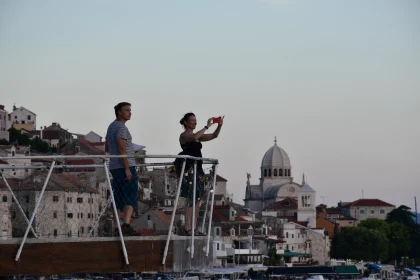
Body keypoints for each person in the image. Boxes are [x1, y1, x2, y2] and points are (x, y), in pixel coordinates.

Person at [178, 112, 224, 236]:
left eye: (195, 120)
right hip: (189, 169)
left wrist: (219, 125)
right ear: (186, 122)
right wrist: (207, 126)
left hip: (198, 168)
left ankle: (194, 228)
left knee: (198, 199)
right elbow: (193, 138)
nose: (195, 122)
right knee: (190, 198)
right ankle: (188, 228)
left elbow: (214, 136)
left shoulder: (197, 136)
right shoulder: (184, 136)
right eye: (192, 120)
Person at [105, 102, 140, 236]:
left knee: (119, 196)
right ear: (119, 113)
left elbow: (107, 147)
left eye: (130, 110)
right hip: (124, 166)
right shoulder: (121, 128)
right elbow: (121, 148)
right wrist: (127, 168)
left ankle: (118, 226)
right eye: (127, 110)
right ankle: (125, 224)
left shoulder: (111, 126)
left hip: (114, 166)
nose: (130, 112)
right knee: (131, 195)